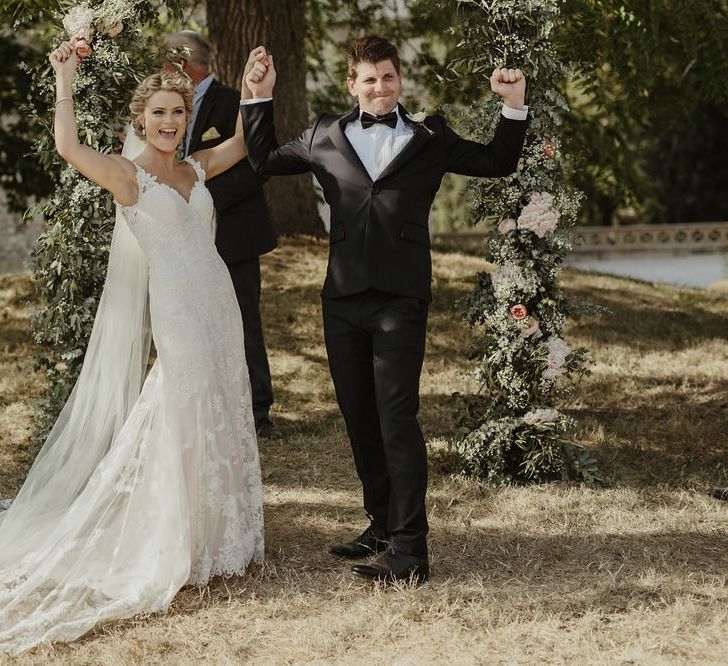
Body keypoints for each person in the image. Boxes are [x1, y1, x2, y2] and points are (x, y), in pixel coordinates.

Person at [0, 41, 263, 655]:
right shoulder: (129, 175)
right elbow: (68, 148)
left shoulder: (196, 168)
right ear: (141, 120)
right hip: (177, 310)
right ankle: (178, 538)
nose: (170, 123)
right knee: (184, 407)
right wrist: (64, 79)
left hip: (220, 303)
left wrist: (254, 86)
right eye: (160, 115)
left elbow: (246, 142)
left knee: (225, 401)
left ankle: (222, 537)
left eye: (178, 113)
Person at [240, 36, 528, 584]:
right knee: (359, 416)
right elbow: (262, 160)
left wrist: (512, 105)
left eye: (388, 78)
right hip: (342, 298)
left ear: (400, 82)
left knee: (396, 416)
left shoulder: (430, 136)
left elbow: (498, 161)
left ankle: (410, 550)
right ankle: (380, 521)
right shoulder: (324, 134)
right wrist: (259, 96)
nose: (380, 87)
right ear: (352, 84)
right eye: (369, 79)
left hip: (401, 298)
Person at [164, 31, 277, 436]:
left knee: (243, 319)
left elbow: (255, 166)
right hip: (185, 239)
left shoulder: (233, 102)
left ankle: (258, 410)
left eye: (166, 63)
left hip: (234, 235)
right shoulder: (171, 109)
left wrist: (196, 200)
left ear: (183, 64)